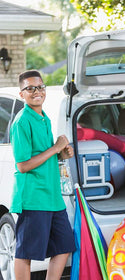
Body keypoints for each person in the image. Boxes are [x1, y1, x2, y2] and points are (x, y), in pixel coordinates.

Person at [10, 70, 76, 280]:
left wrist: (62, 154)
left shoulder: (43, 118)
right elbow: (23, 165)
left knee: (64, 246)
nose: (36, 91)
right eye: (30, 88)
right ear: (22, 94)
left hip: (53, 198)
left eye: (40, 87)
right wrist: (56, 148)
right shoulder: (22, 122)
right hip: (34, 198)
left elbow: (43, 156)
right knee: (25, 254)